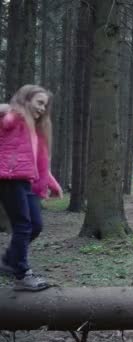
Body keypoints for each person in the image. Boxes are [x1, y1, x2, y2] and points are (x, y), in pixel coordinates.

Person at [0, 85, 62, 291]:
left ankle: (9, 260)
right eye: (39, 103)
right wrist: (10, 109)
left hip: (27, 181)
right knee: (23, 225)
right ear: (25, 101)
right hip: (9, 178)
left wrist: (52, 184)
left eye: (46, 105)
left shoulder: (36, 131)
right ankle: (22, 275)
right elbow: (7, 115)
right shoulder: (13, 120)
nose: (43, 109)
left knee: (35, 225)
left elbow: (40, 163)